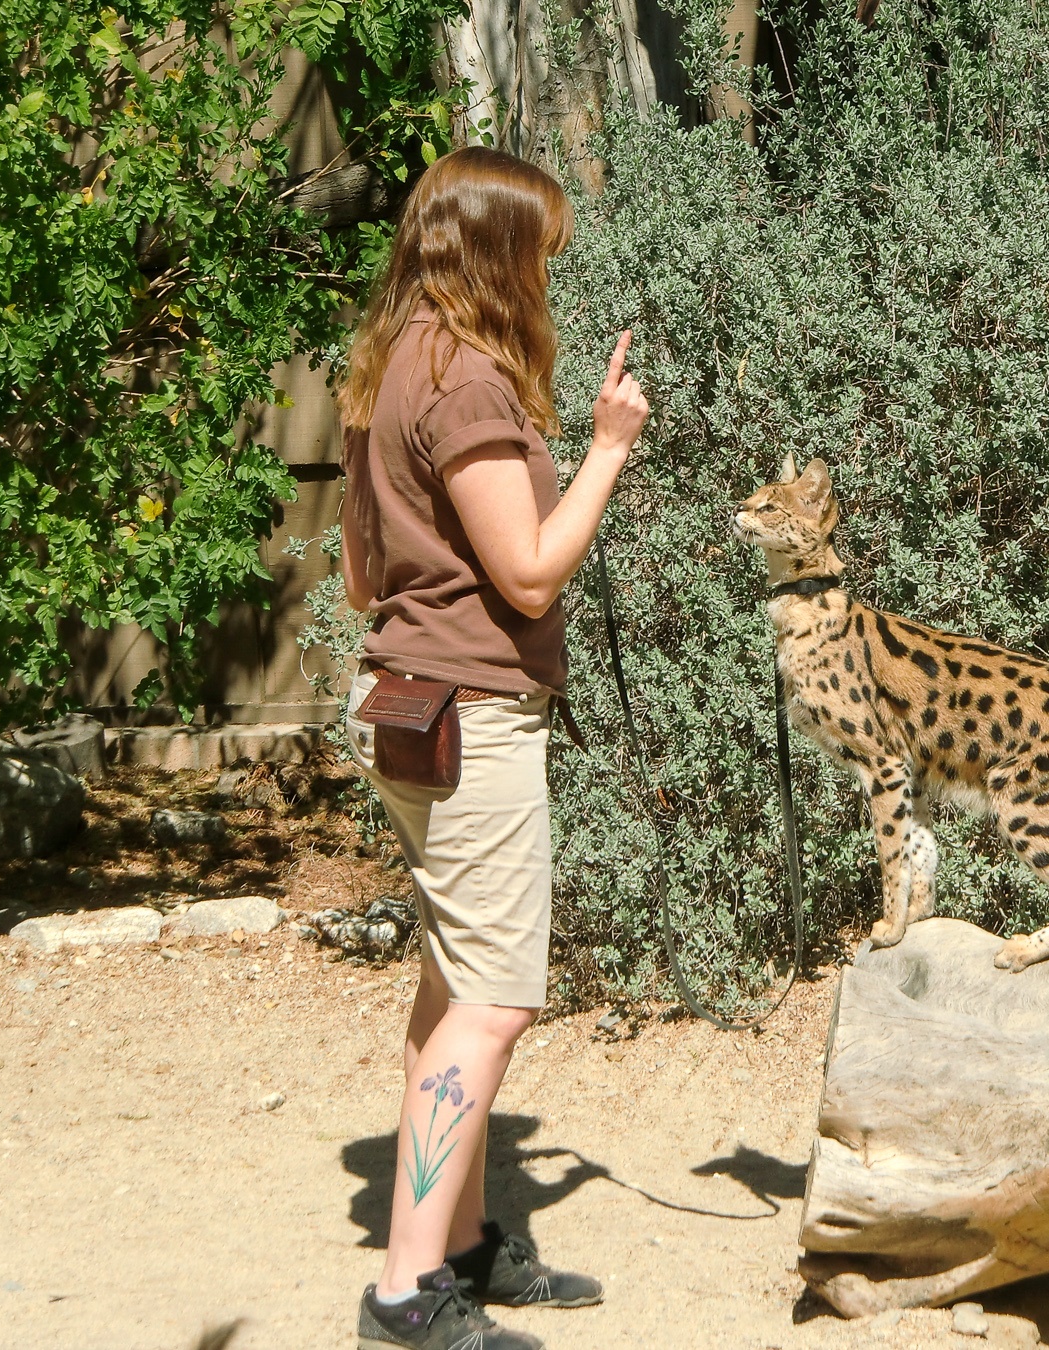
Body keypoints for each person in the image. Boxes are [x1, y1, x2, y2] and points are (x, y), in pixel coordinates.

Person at [334, 146, 649, 1350]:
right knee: (497, 1002)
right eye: (540, 253)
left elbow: (365, 573)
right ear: (497, 253)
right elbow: (525, 571)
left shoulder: (390, 364)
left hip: (407, 709)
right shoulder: (467, 379)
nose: (547, 277)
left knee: (450, 984)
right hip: (474, 718)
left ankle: (459, 1243)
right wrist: (610, 445)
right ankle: (408, 1293)